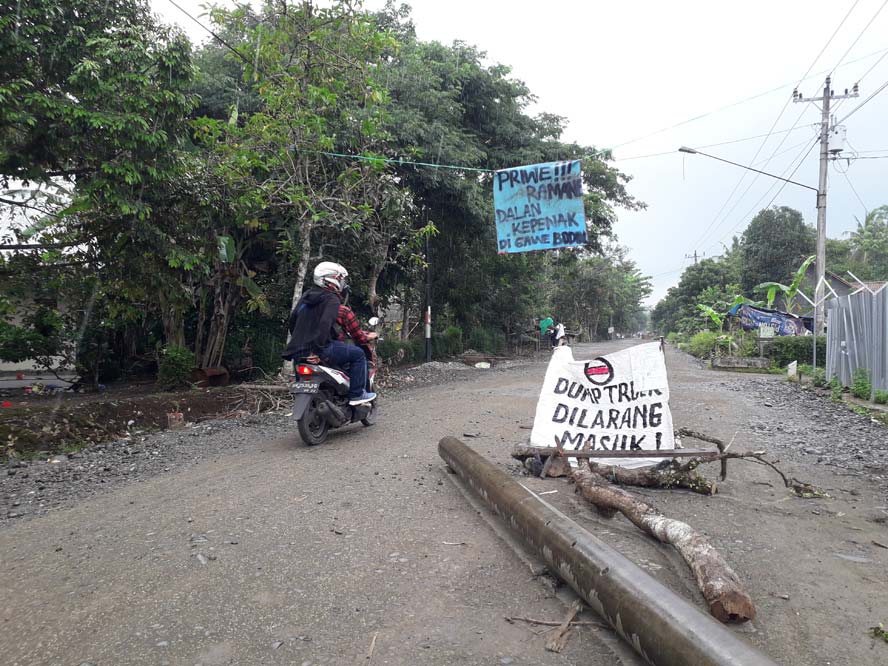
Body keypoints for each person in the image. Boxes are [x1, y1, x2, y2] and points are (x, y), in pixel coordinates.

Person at [283, 261, 378, 406]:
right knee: (358, 354)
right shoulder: (332, 299)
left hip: (297, 350)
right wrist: (316, 350)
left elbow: (292, 321)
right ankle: (357, 394)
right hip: (320, 348)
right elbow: (325, 324)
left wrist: (302, 342)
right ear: (330, 279)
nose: (341, 282)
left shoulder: (306, 296)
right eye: (339, 278)